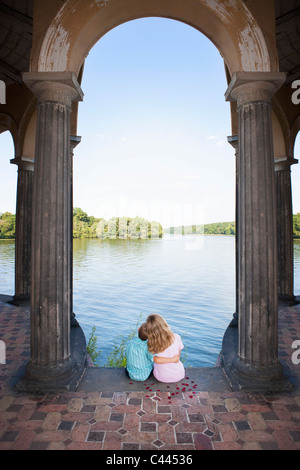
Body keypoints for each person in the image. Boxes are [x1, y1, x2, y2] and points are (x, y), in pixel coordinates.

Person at [146, 313, 185, 383]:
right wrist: (173, 359)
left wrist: (173, 359)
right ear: (164, 323)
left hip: (161, 377)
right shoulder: (176, 337)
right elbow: (177, 357)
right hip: (179, 374)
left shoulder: (151, 342)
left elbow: (156, 360)